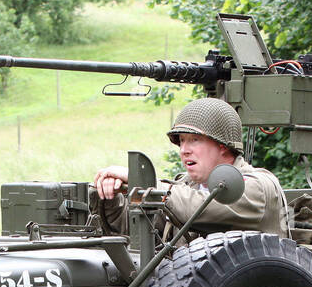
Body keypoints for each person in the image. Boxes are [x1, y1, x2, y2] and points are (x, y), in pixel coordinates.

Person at [92, 98, 288, 239]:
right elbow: (139, 230)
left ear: (222, 145)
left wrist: (143, 181)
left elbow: (199, 208)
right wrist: (112, 197)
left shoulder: (257, 187)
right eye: (182, 141)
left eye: (194, 140)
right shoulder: (185, 187)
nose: (184, 150)